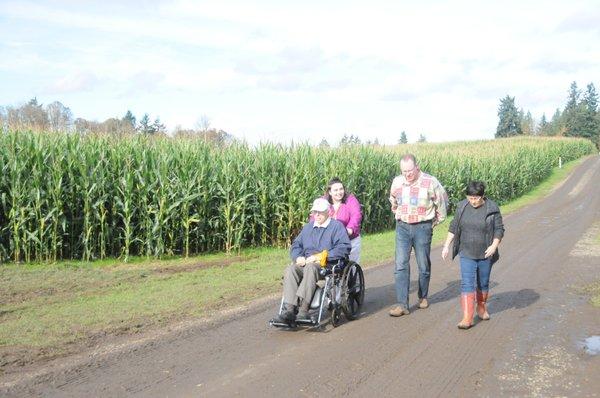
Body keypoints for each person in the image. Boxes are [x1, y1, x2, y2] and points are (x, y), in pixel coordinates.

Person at [273, 197, 351, 324]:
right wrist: (298, 257)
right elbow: (296, 245)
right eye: (315, 212)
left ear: (328, 212)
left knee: (311, 268)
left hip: (325, 265)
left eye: (320, 212)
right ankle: (289, 310)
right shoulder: (308, 228)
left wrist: (319, 257)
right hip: (305, 263)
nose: (317, 215)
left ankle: (303, 310)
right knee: (290, 269)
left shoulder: (337, 227)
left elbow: (344, 248)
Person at [388, 154, 448, 317]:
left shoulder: (430, 182)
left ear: (417, 167)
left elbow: (442, 202)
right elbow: (393, 200)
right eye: (404, 171)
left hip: (423, 226)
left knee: (423, 264)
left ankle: (422, 296)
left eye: (409, 170)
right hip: (402, 227)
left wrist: (432, 223)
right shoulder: (397, 182)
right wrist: (398, 213)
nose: (407, 174)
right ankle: (402, 304)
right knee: (400, 264)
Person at [442, 181, 505, 329]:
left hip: (485, 253)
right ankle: (467, 317)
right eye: (470, 198)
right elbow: (454, 227)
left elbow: (499, 230)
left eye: (476, 198)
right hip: (466, 252)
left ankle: (481, 307)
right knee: (467, 283)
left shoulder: (492, 208)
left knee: (483, 283)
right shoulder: (462, 207)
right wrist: (446, 245)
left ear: (482, 196)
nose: (473, 201)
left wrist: (494, 246)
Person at [323, 177, 363, 263]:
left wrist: (350, 229)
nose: (339, 192)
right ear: (330, 192)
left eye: (341, 189)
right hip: (330, 242)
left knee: (351, 266)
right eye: (336, 190)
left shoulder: (351, 200)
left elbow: (356, 215)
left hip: (350, 240)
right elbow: (316, 216)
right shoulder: (324, 202)